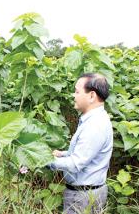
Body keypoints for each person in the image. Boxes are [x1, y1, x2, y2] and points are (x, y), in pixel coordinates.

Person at [48, 73, 113, 214]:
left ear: (91, 96)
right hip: (87, 192)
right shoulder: (95, 119)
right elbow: (88, 154)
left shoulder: (94, 125)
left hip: (82, 197)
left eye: (77, 91)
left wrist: (43, 159)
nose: (74, 95)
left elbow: (75, 164)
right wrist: (62, 154)